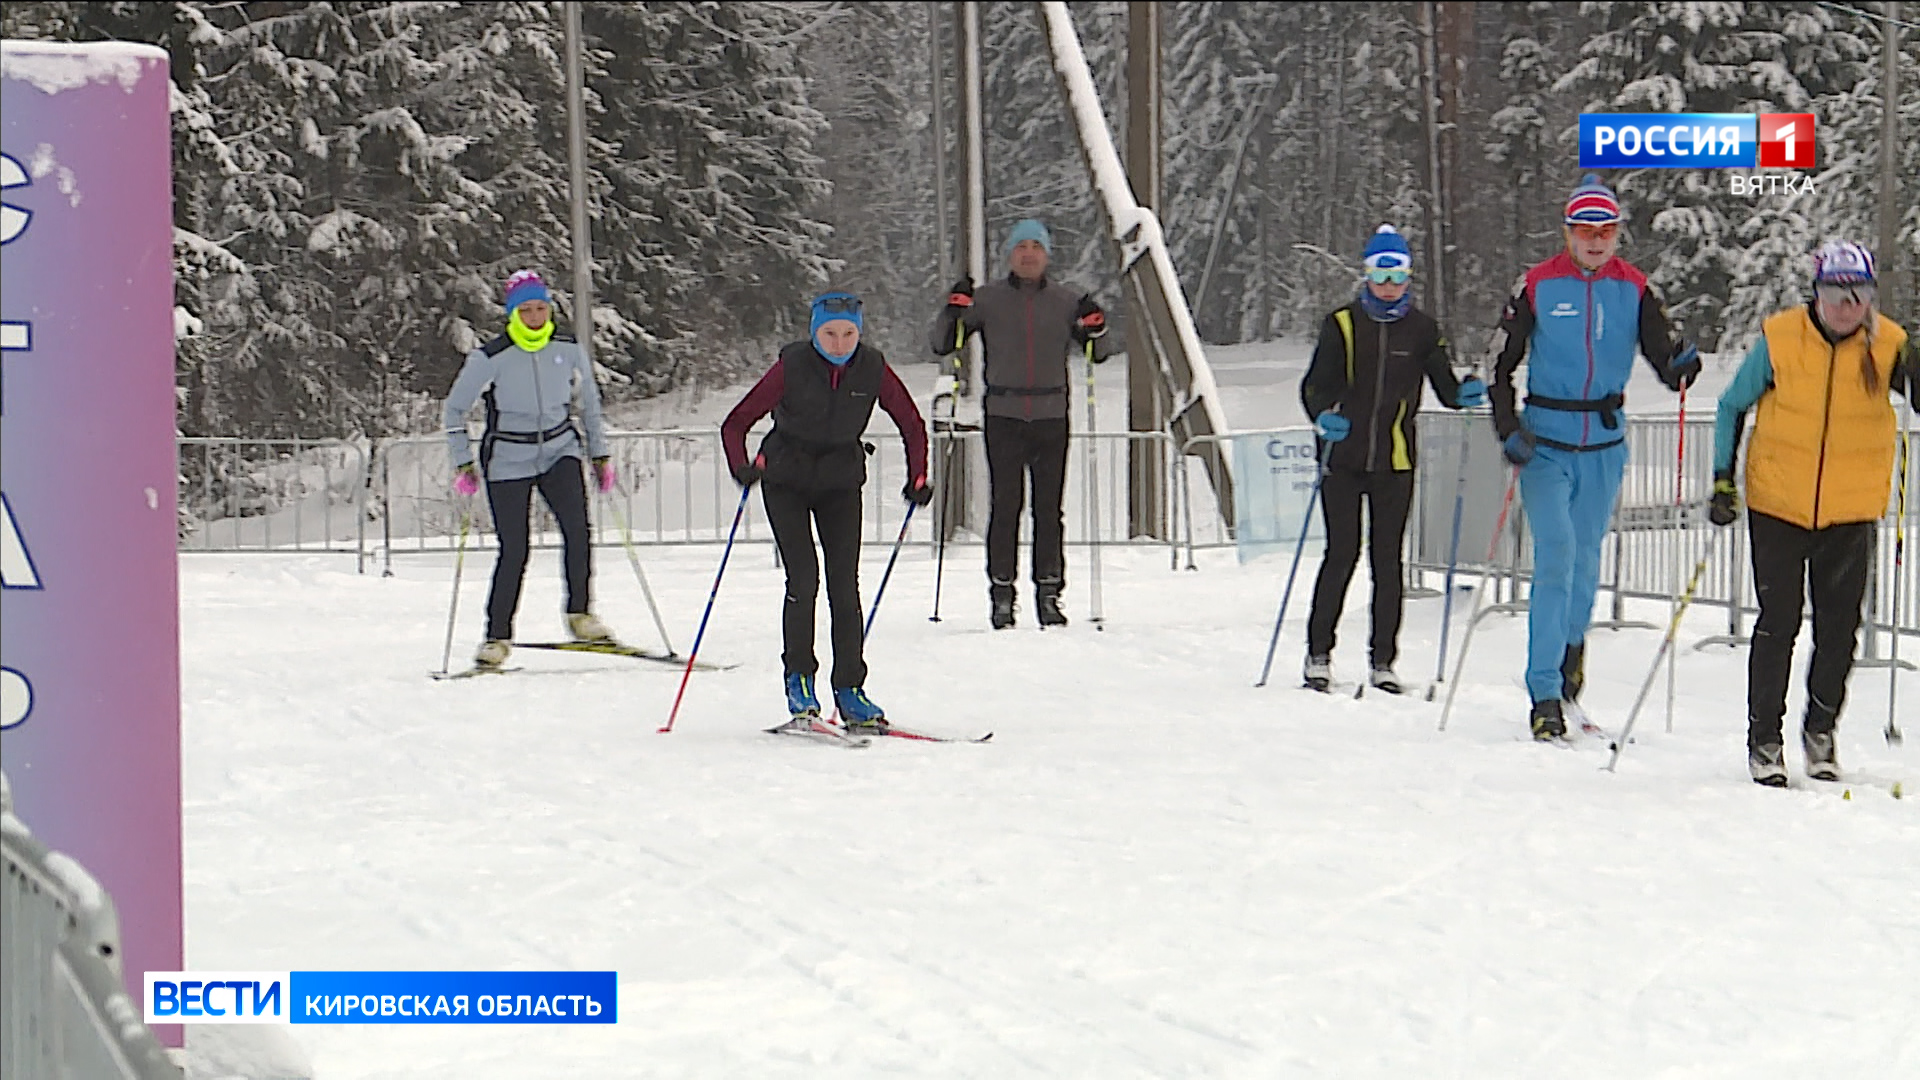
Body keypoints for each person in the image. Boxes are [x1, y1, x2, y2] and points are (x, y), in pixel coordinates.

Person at [1488, 176, 1702, 741]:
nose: (1596, 241)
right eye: (1586, 231)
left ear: (1617, 236)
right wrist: (1507, 427)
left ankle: (1571, 654)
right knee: (1555, 557)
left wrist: (1680, 365)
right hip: (1547, 442)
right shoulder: (1537, 284)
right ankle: (1543, 691)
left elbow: (1663, 356)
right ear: (1568, 233)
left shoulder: (1634, 288)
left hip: (1604, 444)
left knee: (1585, 560)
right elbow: (1500, 364)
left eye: (1605, 231)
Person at [1708, 241, 1915, 787]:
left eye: (1858, 294)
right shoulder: (1782, 339)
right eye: (1834, 292)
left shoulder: (1889, 346)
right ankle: (1765, 740)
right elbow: (1731, 405)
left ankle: (1820, 731)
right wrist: (1722, 480)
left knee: (1839, 627)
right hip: (1779, 502)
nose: (1846, 305)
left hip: (1850, 509)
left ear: (1870, 297)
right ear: (1815, 294)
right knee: (1778, 623)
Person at [722, 291, 931, 732]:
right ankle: (800, 681)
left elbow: (911, 423)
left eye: (848, 334)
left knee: (844, 583)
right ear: (814, 332)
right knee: (803, 577)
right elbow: (736, 422)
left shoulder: (872, 367)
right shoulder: (792, 365)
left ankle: (850, 690)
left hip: (840, 480)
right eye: (829, 333)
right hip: (786, 480)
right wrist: (741, 466)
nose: (839, 343)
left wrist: (918, 477)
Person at [1299, 225, 1486, 694]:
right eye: (1380, 273)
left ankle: (1384, 661)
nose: (1388, 284)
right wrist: (1323, 417)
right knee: (1341, 554)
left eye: (1397, 274)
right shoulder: (1341, 324)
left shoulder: (1422, 329)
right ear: (1366, 275)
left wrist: (1463, 394)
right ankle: (1318, 653)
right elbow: (1314, 387)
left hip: (1395, 461)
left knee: (1388, 561)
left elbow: (1444, 387)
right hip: (1341, 458)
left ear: (1408, 277)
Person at [929, 218, 1116, 629]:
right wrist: (953, 307)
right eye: (1021, 247)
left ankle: (1049, 593)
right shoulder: (988, 300)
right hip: (1004, 415)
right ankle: (1001, 595)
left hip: (1051, 416)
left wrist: (1095, 325)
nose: (1028, 254)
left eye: (1036, 247)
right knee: (1005, 507)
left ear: (1046, 255)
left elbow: (1098, 352)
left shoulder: (1067, 300)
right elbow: (944, 342)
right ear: (1009, 254)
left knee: (1049, 511)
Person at [444, 269, 618, 670]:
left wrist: (600, 454)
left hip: (560, 449)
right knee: (515, 547)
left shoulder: (568, 349)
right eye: (527, 310)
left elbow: (589, 404)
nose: (536, 316)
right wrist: (462, 460)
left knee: (578, 530)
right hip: (508, 457)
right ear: (512, 314)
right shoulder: (491, 357)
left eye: (541, 308)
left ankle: (581, 614)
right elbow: (454, 409)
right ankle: (497, 635)